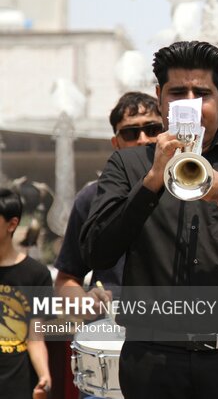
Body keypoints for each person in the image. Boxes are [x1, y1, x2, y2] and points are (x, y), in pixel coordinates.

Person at [80, 41, 218, 399]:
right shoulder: (128, 165)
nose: (189, 104)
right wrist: (151, 182)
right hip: (151, 357)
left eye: (202, 93)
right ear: (160, 97)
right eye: (177, 93)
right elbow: (95, 252)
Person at [54, 92, 163, 312]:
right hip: (110, 332)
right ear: (116, 142)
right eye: (131, 132)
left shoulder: (190, 189)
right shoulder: (90, 198)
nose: (142, 139)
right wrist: (85, 302)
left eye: (152, 129)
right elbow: (66, 280)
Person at [0, 188, 52, 399]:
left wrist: (44, 376)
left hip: (18, 383)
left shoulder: (38, 275)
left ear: (12, 224)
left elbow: (36, 337)